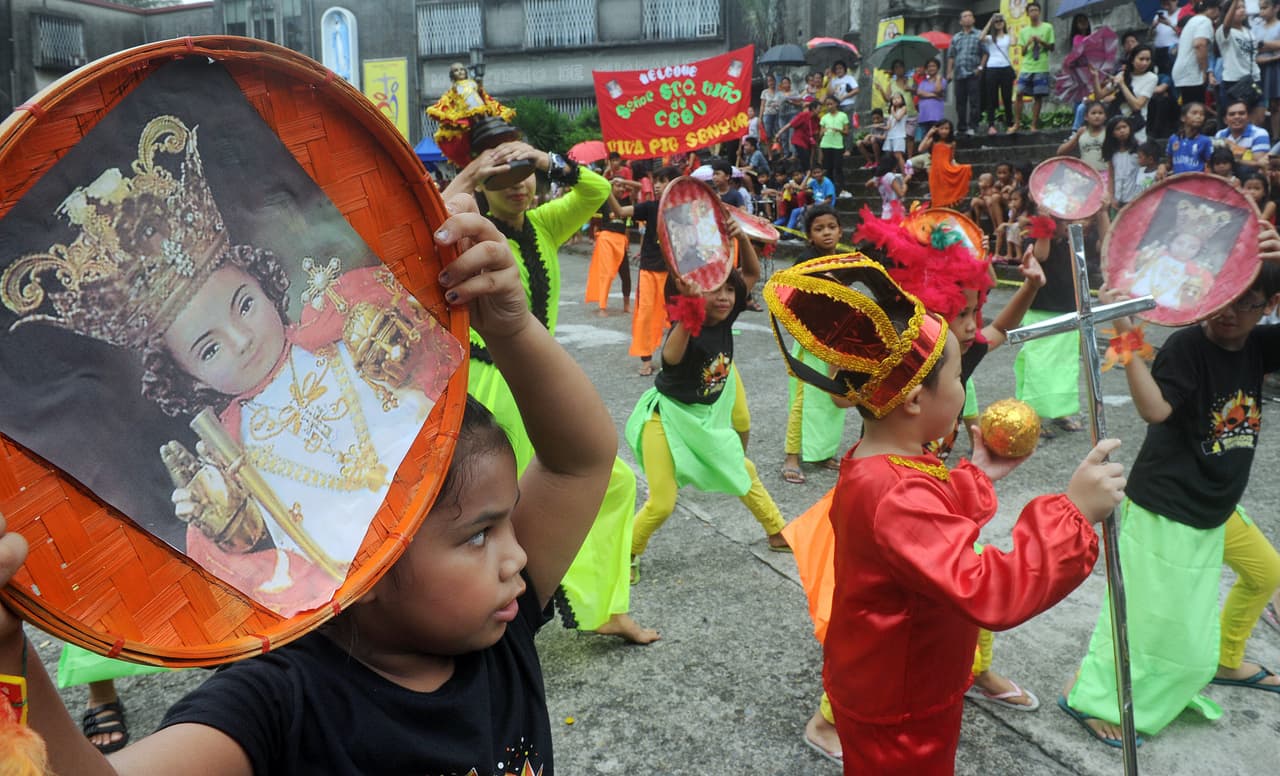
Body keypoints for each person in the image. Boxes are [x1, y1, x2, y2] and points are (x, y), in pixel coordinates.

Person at [0, 190, 619, 775]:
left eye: (504, 519)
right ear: (365, 561)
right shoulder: (278, 706)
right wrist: (8, 654)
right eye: (480, 535)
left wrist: (510, 330)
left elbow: (579, 461)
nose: (518, 555)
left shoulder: (499, 629)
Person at [764, 256, 1121, 775]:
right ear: (913, 400)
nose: (962, 389)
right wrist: (1072, 513)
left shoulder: (879, 463)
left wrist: (975, 475)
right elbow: (987, 588)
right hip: (900, 701)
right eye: (956, 376)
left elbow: (922, 525)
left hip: (892, 678)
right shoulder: (893, 490)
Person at [1064, 257, 1280, 747]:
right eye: (1219, 298)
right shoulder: (1187, 346)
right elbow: (1155, 409)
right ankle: (1091, 695)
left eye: (1244, 305)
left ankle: (1226, 660)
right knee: (1141, 615)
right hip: (1169, 506)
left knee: (1266, 572)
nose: (1227, 314)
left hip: (1219, 507)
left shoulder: (1260, 347)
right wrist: (1125, 330)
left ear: (1269, 306)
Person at [448, 143, 656, 644]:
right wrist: (473, 173)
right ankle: (489, 617)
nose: (519, 185)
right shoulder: (467, 234)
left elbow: (598, 189)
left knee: (615, 484)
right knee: (493, 506)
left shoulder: (545, 224)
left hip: (533, 381)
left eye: (526, 175)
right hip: (487, 385)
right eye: (503, 178)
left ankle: (597, 606)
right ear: (481, 189)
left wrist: (544, 159)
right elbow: (433, 218)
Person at [626, 214, 790, 583]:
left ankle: (778, 531)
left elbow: (750, 272)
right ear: (696, 296)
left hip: (705, 417)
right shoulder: (687, 329)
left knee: (742, 469)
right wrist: (688, 311)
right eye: (715, 291)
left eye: (730, 291)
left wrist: (741, 237)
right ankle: (627, 553)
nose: (726, 297)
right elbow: (668, 358)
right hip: (666, 420)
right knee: (662, 502)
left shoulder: (726, 317)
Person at [781, 205, 848, 485]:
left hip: (837, 340)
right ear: (809, 236)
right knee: (803, 400)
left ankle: (822, 452)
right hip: (811, 342)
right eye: (819, 229)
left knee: (832, 399)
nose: (827, 233)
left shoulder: (844, 259)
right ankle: (792, 457)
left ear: (840, 230)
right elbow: (793, 298)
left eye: (831, 227)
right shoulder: (805, 261)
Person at [612, 165, 680, 376]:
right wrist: (605, 190)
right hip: (650, 270)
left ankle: (676, 358)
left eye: (663, 180)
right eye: (656, 181)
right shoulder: (650, 207)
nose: (658, 186)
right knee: (646, 315)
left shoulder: (685, 209)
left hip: (676, 272)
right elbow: (621, 211)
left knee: (679, 317)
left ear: (675, 184)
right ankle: (646, 359)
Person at [1010, 2, 1055, 133]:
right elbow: (1023, 52)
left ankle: (1033, 125)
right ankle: (1017, 123)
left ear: (1039, 12)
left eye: (1036, 10)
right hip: (1027, 66)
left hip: (1041, 66)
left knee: (1038, 96)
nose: (1034, 12)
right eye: (1031, 10)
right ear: (1027, 13)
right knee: (1019, 93)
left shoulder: (1048, 27)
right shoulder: (1024, 31)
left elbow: (1052, 47)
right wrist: (1028, 43)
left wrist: (1040, 41)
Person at [1172, 1, 1220, 107]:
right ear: (1212, 9)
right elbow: (1200, 44)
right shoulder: (1204, 21)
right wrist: (1204, 70)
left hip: (1183, 71)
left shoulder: (1193, 20)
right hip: (1191, 73)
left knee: (1188, 107)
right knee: (1195, 108)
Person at [1217, 0, 1260, 111]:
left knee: (1256, 116)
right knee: (1236, 116)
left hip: (1253, 79)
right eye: (1237, 8)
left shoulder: (1249, 32)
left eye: (1243, 7)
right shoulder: (1224, 31)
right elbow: (1226, 25)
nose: (1242, 10)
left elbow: (1253, 57)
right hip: (1234, 81)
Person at [919, 120, 972, 209]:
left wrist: (959, 168)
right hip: (935, 174)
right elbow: (920, 149)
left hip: (946, 172)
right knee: (936, 198)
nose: (944, 131)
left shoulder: (952, 143)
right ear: (937, 129)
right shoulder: (933, 141)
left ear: (950, 130)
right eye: (941, 128)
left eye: (946, 128)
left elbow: (951, 159)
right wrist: (929, 134)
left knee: (946, 197)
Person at [1111, 45, 1159, 144]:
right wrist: (1095, 76)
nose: (1144, 63)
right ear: (1132, 60)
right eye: (1141, 59)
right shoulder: (1122, 75)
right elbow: (1100, 95)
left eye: (1147, 59)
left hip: (1136, 125)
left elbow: (1137, 105)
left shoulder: (1151, 78)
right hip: (1119, 126)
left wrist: (1122, 84)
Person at [949, 10, 984, 135]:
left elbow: (985, 52)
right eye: (965, 16)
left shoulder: (979, 34)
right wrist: (949, 72)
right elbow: (951, 56)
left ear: (974, 20)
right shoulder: (956, 37)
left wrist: (980, 68)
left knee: (974, 101)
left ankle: (973, 126)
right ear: (960, 21)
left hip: (973, 73)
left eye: (970, 16)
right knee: (960, 102)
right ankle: (962, 126)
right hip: (959, 73)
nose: (968, 18)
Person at [981, 13, 1017, 135]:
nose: (999, 23)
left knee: (1007, 97)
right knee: (991, 97)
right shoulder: (990, 38)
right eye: (997, 22)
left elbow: (1013, 43)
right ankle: (991, 124)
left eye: (1001, 21)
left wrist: (1011, 30)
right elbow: (980, 38)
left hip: (1005, 68)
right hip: (992, 68)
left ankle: (1010, 124)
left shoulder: (1007, 36)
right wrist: (990, 21)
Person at [1216, 97, 1272, 174]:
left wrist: (1233, 149)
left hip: (1251, 178)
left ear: (1248, 117)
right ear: (1225, 120)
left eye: (1241, 113)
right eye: (1232, 114)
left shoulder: (1259, 133)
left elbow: (1258, 164)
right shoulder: (1220, 134)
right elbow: (1218, 161)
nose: (1237, 117)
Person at [1164, 101, 1214, 175]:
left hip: (1197, 182)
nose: (1198, 116)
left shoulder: (1205, 141)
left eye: (1202, 114)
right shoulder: (1173, 139)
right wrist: (1162, 167)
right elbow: (1169, 163)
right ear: (1183, 118)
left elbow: (1210, 165)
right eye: (1194, 113)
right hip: (1177, 182)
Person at [1059, 101, 1109, 173]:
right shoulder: (1082, 132)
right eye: (1093, 113)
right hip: (1086, 174)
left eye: (1100, 113)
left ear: (1105, 117)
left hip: (1105, 173)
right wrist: (1077, 136)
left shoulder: (1108, 132)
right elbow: (1060, 152)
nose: (1097, 116)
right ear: (1086, 117)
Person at [1105, 116, 1143, 209]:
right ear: (1112, 133)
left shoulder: (1139, 148)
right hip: (1118, 197)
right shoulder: (1112, 152)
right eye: (1118, 129)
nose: (1122, 131)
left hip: (1135, 196)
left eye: (1124, 127)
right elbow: (1111, 175)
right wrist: (1111, 196)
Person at [818, 96, 850, 196]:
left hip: (838, 145)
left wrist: (838, 130)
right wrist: (822, 132)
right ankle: (830, 191)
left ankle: (842, 189)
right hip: (826, 144)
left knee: (838, 168)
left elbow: (846, 132)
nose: (829, 106)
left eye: (831, 104)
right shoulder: (824, 117)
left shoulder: (843, 115)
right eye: (827, 104)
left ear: (836, 104)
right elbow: (820, 134)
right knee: (828, 169)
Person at [1257, 0, 1280, 139]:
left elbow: (1259, 45)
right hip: (1260, 67)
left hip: (1276, 69)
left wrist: (1263, 44)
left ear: (1276, 7)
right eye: (1260, 8)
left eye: (1265, 8)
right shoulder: (1257, 27)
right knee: (1259, 103)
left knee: (1275, 104)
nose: (1261, 12)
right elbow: (1254, 46)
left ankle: (1276, 138)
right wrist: (1274, 47)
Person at [826, 60, 860, 143]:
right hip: (837, 106)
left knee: (847, 126)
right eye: (836, 69)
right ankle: (840, 146)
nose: (839, 70)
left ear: (844, 69)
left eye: (840, 68)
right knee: (838, 125)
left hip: (848, 104)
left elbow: (856, 90)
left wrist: (844, 96)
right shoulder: (834, 80)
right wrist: (830, 79)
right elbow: (829, 93)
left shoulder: (849, 78)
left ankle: (848, 148)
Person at [786, 97, 821, 169]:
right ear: (813, 109)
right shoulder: (803, 115)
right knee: (804, 158)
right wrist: (778, 134)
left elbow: (815, 136)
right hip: (799, 140)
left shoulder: (817, 119)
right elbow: (790, 124)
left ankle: (808, 170)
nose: (820, 110)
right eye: (819, 108)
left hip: (808, 142)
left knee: (808, 160)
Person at [916, 59, 947, 139]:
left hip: (936, 116)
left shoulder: (942, 80)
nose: (931, 68)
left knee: (936, 138)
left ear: (938, 68)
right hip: (924, 115)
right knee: (925, 139)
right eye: (929, 66)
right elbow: (919, 93)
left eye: (933, 66)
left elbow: (938, 90)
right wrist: (934, 96)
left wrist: (938, 79)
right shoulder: (923, 82)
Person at [1152, 0, 1183, 75]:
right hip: (1159, 51)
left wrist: (1170, 24)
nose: (1165, 3)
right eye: (1163, 2)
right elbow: (1150, 36)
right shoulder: (1159, 15)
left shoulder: (1182, 12)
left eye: (1168, 1)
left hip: (1174, 50)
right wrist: (1153, 27)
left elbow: (1184, 33)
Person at [883, 92, 910, 173]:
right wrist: (879, 127)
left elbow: (898, 118)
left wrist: (893, 111)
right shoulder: (891, 113)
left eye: (898, 98)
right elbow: (888, 127)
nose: (896, 100)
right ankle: (894, 171)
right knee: (891, 155)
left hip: (899, 135)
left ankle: (905, 173)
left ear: (902, 100)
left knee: (898, 155)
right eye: (894, 99)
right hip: (891, 135)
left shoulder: (903, 108)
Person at [760, 74, 787, 150]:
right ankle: (770, 155)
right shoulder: (764, 92)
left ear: (775, 81)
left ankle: (780, 153)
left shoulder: (779, 92)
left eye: (772, 80)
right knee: (768, 135)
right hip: (767, 114)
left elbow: (784, 101)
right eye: (769, 81)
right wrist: (760, 117)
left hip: (778, 114)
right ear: (767, 83)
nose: (771, 82)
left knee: (778, 133)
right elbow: (762, 105)